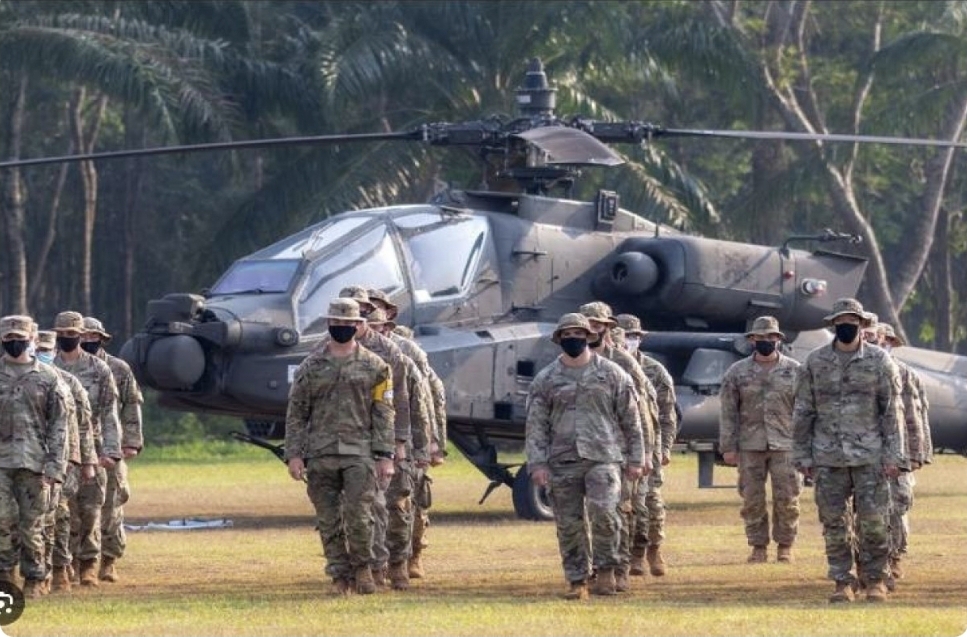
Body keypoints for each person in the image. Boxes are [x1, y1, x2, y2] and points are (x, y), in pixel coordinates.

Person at [525, 313, 646, 600]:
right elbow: (536, 425)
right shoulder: (546, 379)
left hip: (603, 458)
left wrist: (637, 459)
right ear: (559, 340)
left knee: (605, 515)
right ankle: (577, 579)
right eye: (566, 335)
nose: (572, 339)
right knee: (569, 524)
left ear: (588, 337)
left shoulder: (613, 373)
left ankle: (606, 573)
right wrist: (537, 463)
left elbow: (631, 419)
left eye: (578, 334)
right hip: (562, 460)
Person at [792, 298, 905, 603]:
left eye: (852, 322)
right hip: (827, 457)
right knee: (834, 524)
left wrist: (895, 455)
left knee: (874, 522)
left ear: (861, 325)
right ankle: (842, 581)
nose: (846, 327)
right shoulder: (815, 362)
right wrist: (801, 455)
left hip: (870, 456)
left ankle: (876, 580)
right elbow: (803, 410)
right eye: (840, 322)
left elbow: (891, 412)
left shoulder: (880, 361)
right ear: (833, 325)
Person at [284, 298, 396, 595]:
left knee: (360, 516)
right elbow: (296, 413)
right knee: (328, 520)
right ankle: (339, 576)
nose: (343, 328)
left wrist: (385, 455)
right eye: (337, 324)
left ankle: (363, 569)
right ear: (329, 325)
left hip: (359, 453)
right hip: (320, 454)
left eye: (349, 324)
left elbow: (384, 412)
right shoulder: (310, 367)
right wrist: (294, 454)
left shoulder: (377, 367)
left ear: (359, 326)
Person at [579, 302, 657, 592]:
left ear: (607, 328)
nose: (591, 330)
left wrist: (645, 452)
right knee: (589, 515)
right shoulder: (571, 361)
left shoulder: (624, 362)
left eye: (597, 325)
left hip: (621, 452)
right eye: (587, 324)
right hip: (581, 450)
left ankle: (620, 568)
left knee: (620, 510)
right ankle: (593, 568)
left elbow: (643, 411)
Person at [718, 316, 802, 563]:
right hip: (749, 444)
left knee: (787, 498)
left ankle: (785, 544)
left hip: (785, 444)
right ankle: (758, 546)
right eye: (761, 337)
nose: (766, 341)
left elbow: (806, 409)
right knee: (752, 499)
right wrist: (728, 447)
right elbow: (728, 411)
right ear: (752, 340)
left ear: (778, 339)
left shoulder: (795, 371)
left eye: (771, 337)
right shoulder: (737, 372)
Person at [0, 315, 70, 598]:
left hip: (35, 463)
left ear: (31, 339)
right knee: (3, 521)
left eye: (20, 338)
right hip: (1, 463)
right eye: (8, 339)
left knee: (33, 526)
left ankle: (34, 579)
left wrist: (55, 466)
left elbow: (60, 424)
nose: (14, 343)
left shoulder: (48, 377)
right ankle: (6, 575)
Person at [51, 310, 122, 587]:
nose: (68, 338)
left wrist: (111, 451)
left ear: (81, 336)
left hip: (93, 446)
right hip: (61, 449)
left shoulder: (99, 369)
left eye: (73, 334)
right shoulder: (48, 367)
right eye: (63, 334)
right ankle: (63, 563)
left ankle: (89, 563)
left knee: (92, 508)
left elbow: (109, 412)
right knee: (63, 510)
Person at [364, 307, 432, 589]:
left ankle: (399, 564)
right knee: (365, 509)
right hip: (361, 443)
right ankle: (373, 567)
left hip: (397, 444)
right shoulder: (346, 360)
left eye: (378, 327)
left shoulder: (400, 360)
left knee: (398, 507)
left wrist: (422, 447)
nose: (373, 333)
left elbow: (418, 405)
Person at [81, 316, 144, 583]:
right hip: (79, 447)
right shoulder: (63, 367)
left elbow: (131, 405)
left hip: (111, 445)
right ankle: (82, 560)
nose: (87, 342)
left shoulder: (118, 369)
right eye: (83, 337)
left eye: (93, 337)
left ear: (102, 339)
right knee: (80, 507)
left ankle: (109, 559)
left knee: (113, 503)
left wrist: (131, 441)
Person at [35, 328, 97, 594]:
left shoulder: (70, 384)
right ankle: (35, 569)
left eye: (48, 351)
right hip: (27, 458)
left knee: (58, 514)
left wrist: (87, 461)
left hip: (64, 459)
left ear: (55, 351)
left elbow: (84, 427)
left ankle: (60, 568)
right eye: (39, 350)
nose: (43, 355)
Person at [616, 313, 677, 577]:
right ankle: (627, 554)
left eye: (635, 336)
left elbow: (667, 414)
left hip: (649, 447)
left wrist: (663, 449)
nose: (630, 341)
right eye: (626, 335)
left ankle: (652, 549)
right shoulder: (609, 366)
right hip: (615, 448)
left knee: (650, 502)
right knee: (620, 504)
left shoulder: (654, 370)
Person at [876, 321, 929, 588]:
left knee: (898, 507)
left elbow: (916, 416)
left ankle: (895, 557)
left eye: (883, 339)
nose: (879, 343)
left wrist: (918, 453)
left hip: (901, 454)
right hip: (867, 453)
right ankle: (872, 563)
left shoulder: (906, 375)